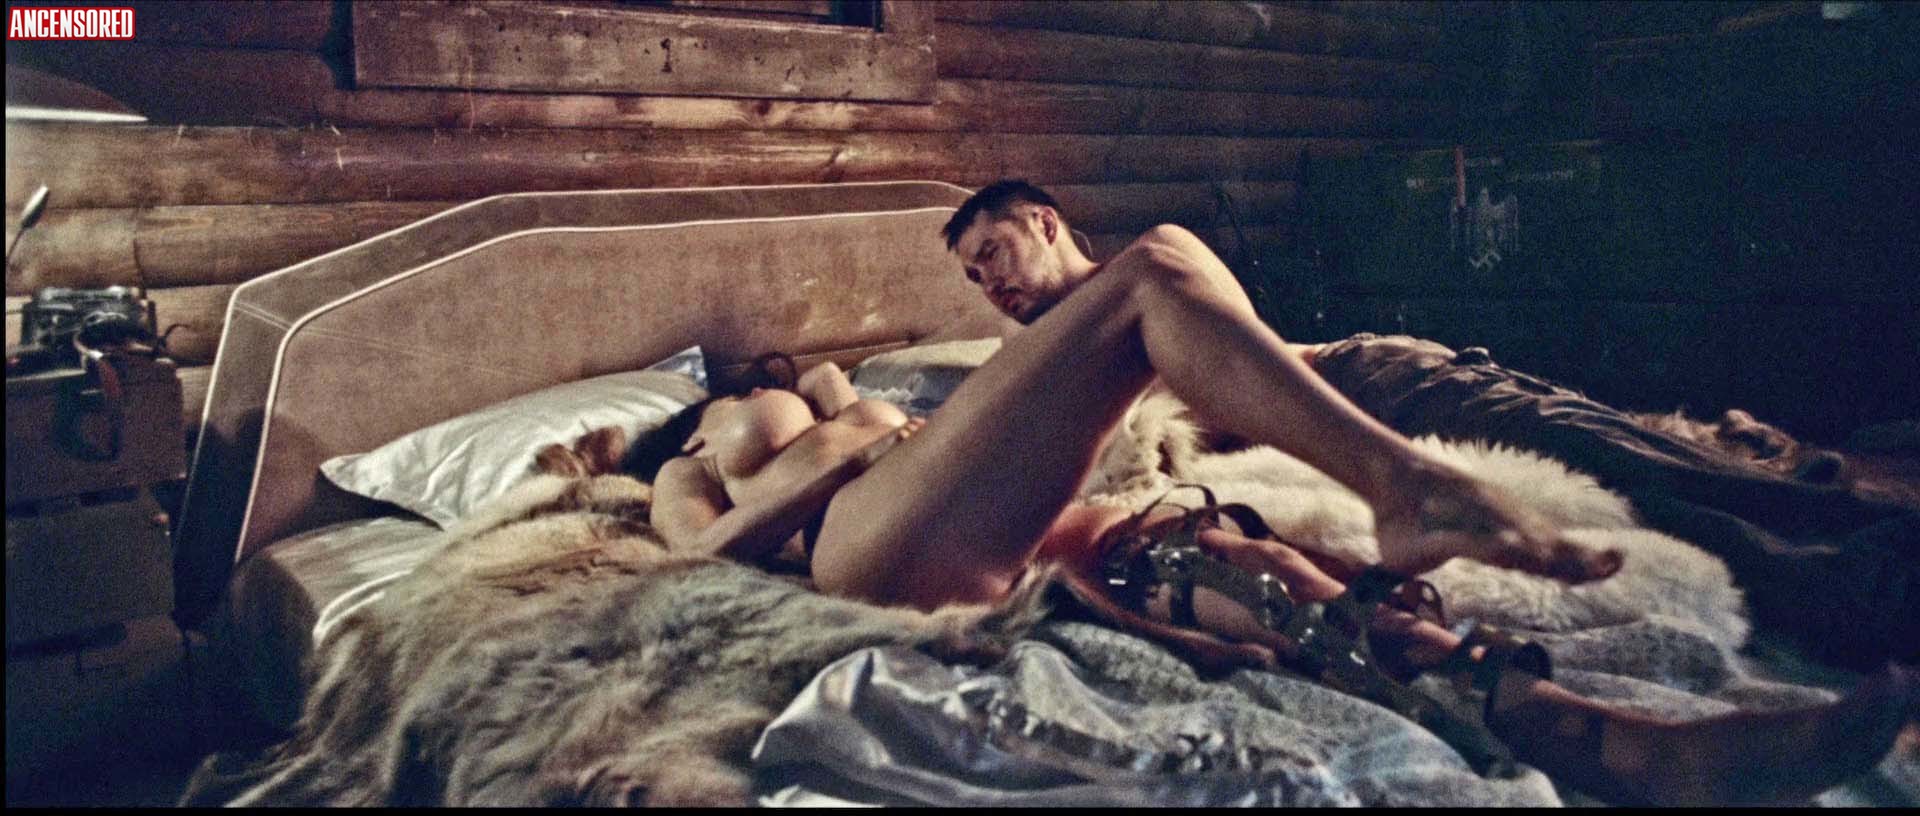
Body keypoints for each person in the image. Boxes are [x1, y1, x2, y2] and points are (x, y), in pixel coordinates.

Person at [620, 180, 1914, 805]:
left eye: (990, 255)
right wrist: (832, 452)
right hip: (857, 548)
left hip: (992, 536)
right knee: (1159, 266)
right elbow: (698, 565)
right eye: (735, 387)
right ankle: (1404, 484)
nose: (762, 380)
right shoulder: (694, 453)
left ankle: (1605, 741)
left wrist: (877, 422)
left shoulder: (874, 400)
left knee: (1244, 566)